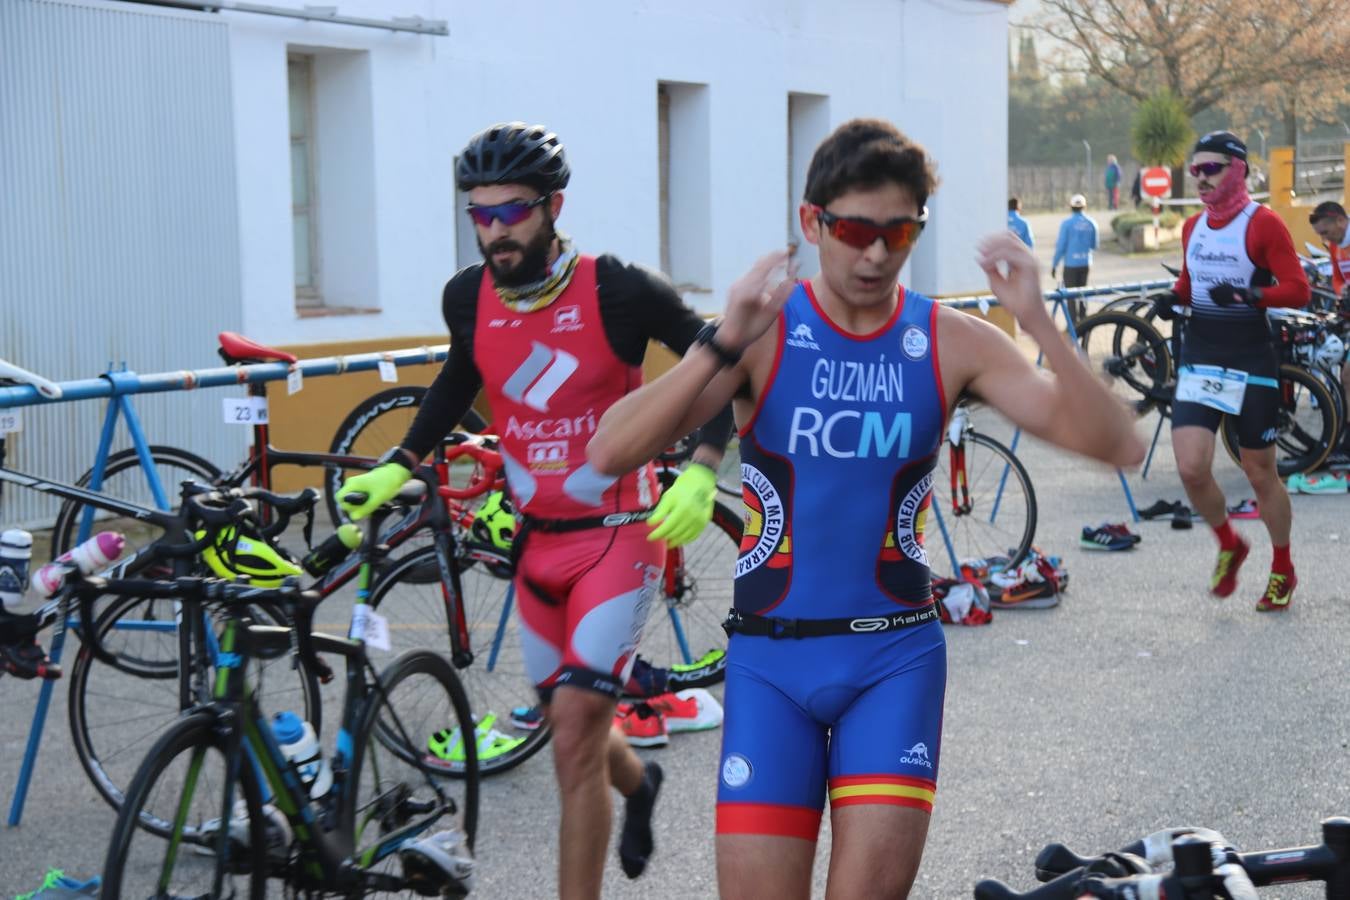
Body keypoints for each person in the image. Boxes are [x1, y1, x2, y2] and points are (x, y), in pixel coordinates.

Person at [586, 118, 1145, 900]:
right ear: (813, 222)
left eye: (900, 232)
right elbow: (610, 451)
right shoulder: (766, 332)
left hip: (893, 663)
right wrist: (723, 340)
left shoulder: (952, 340)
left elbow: (1116, 442)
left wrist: (1042, 323)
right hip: (770, 665)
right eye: (855, 230)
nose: (877, 254)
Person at [337, 122, 733, 899]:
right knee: (569, 723)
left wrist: (704, 470)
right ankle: (640, 783)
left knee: (573, 743)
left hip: (618, 539)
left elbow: (721, 360)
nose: (493, 230)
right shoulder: (467, 296)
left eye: (510, 212)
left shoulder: (618, 288)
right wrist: (398, 463)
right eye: (478, 214)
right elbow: (459, 379)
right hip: (537, 546)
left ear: (553, 205)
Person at [1151, 131, 1310, 611]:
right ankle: (1229, 542)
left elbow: (1298, 290)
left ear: (1237, 169)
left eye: (1211, 168)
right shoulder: (1191, 227)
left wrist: (1249, 296)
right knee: (1190, 468)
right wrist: (1173, 297)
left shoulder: (1263, 224)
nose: (1199, 177)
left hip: (1250, 359)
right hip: (1202, 355)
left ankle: (1283, 566)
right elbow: (1190, 280)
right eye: (1195, 169)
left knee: (1261, 473)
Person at [1308, 200, 1350, 458]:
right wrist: (1340, 291)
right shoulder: (1336, 246)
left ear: (1341, 221)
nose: (1324, 239)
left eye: (1326, 232)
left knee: (1347, 375)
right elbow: (1337, 277)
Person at [1050, 193, 1098, 288]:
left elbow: (1061, 247)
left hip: (1070, 265)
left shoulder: (1066, 224)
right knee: (1083, 295)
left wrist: (1055, 265)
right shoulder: (1092, 223)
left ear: (1071, 207)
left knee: (1071, 296)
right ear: (1085, 206)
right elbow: (1094, 245)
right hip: (1085, 263)